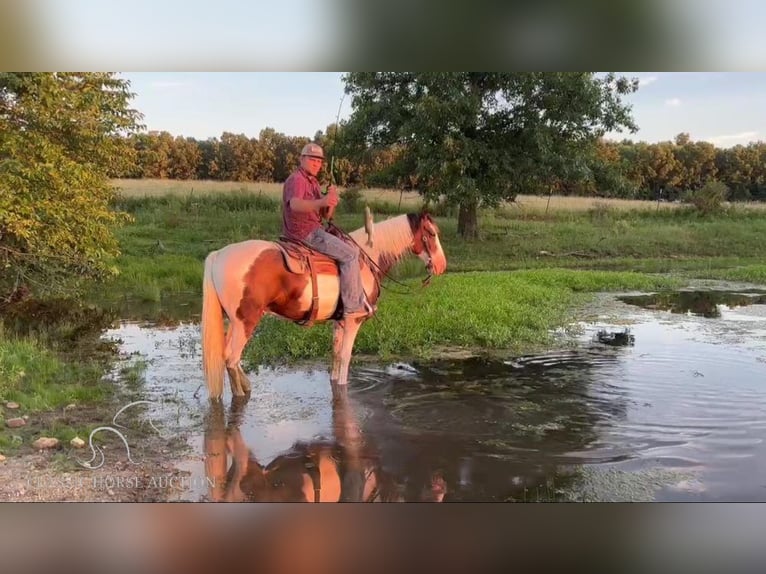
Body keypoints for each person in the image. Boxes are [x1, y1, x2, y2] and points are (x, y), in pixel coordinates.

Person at [282, 142, 372, 320]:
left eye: (319, 161)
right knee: (351, 254)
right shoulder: (297, 179)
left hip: (316, 227)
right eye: (312, 159)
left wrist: (331, 200)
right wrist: (322, 201)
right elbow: (295, 204)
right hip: (304, 232)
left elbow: (325, 215)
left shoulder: (313, 182)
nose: (317, 164)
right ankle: (352, 307)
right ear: (302, 159)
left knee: (348, 245)